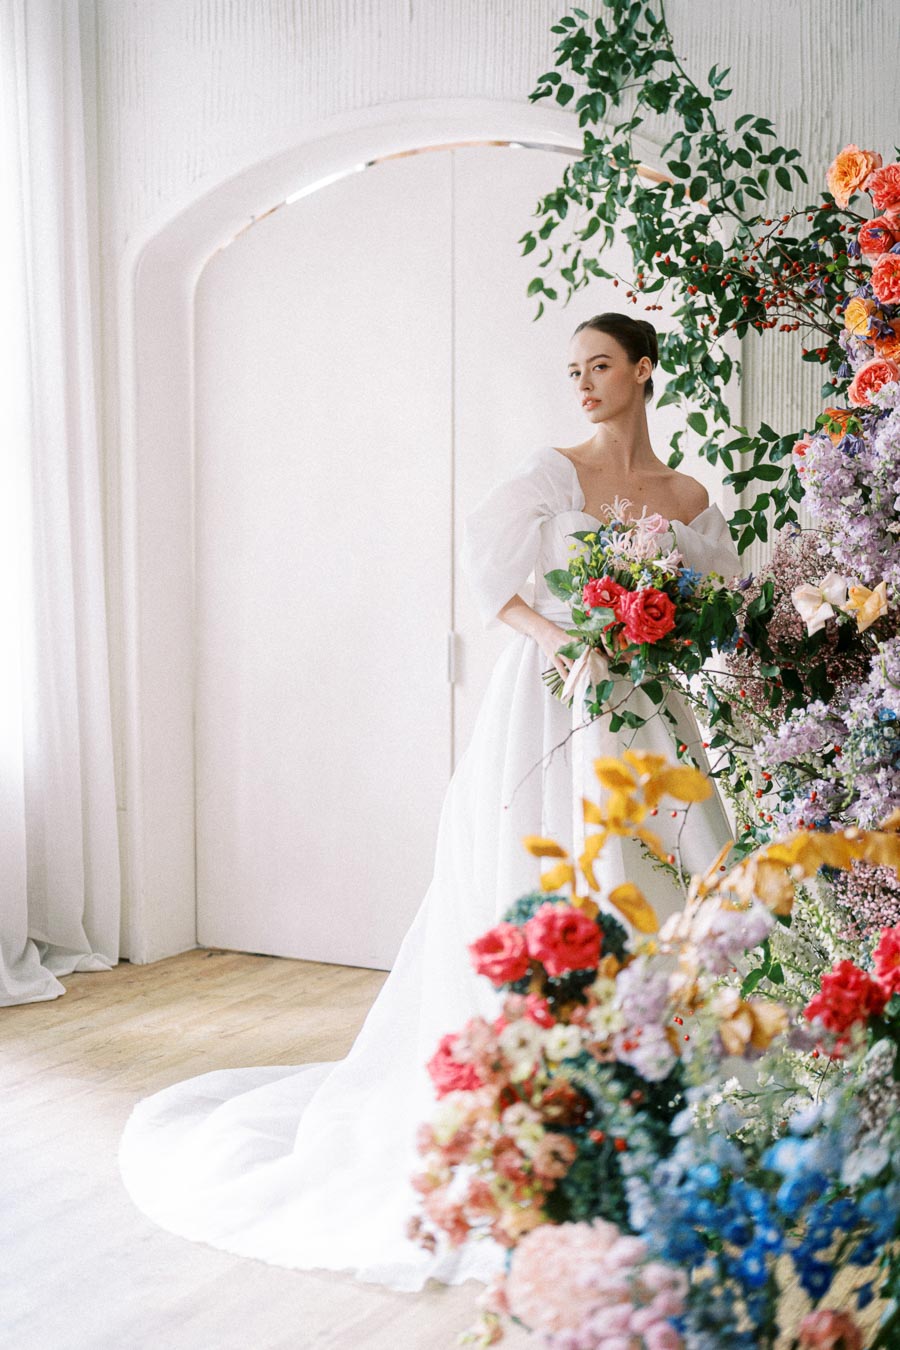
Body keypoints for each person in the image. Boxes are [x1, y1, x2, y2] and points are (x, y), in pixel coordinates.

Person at [118, 313, 742, 1292]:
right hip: (553, 702)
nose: (582, 384)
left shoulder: (689, 494)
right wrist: (558, 637)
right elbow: (489, 567)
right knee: (542, 878)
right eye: (571, 370)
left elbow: (719, 604)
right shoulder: (554, 471)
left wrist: (665, 633)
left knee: (669, 879)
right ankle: (542, 1097)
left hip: (648, 711)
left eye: (600, 367)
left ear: (645, 370)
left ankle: (671, 1085)